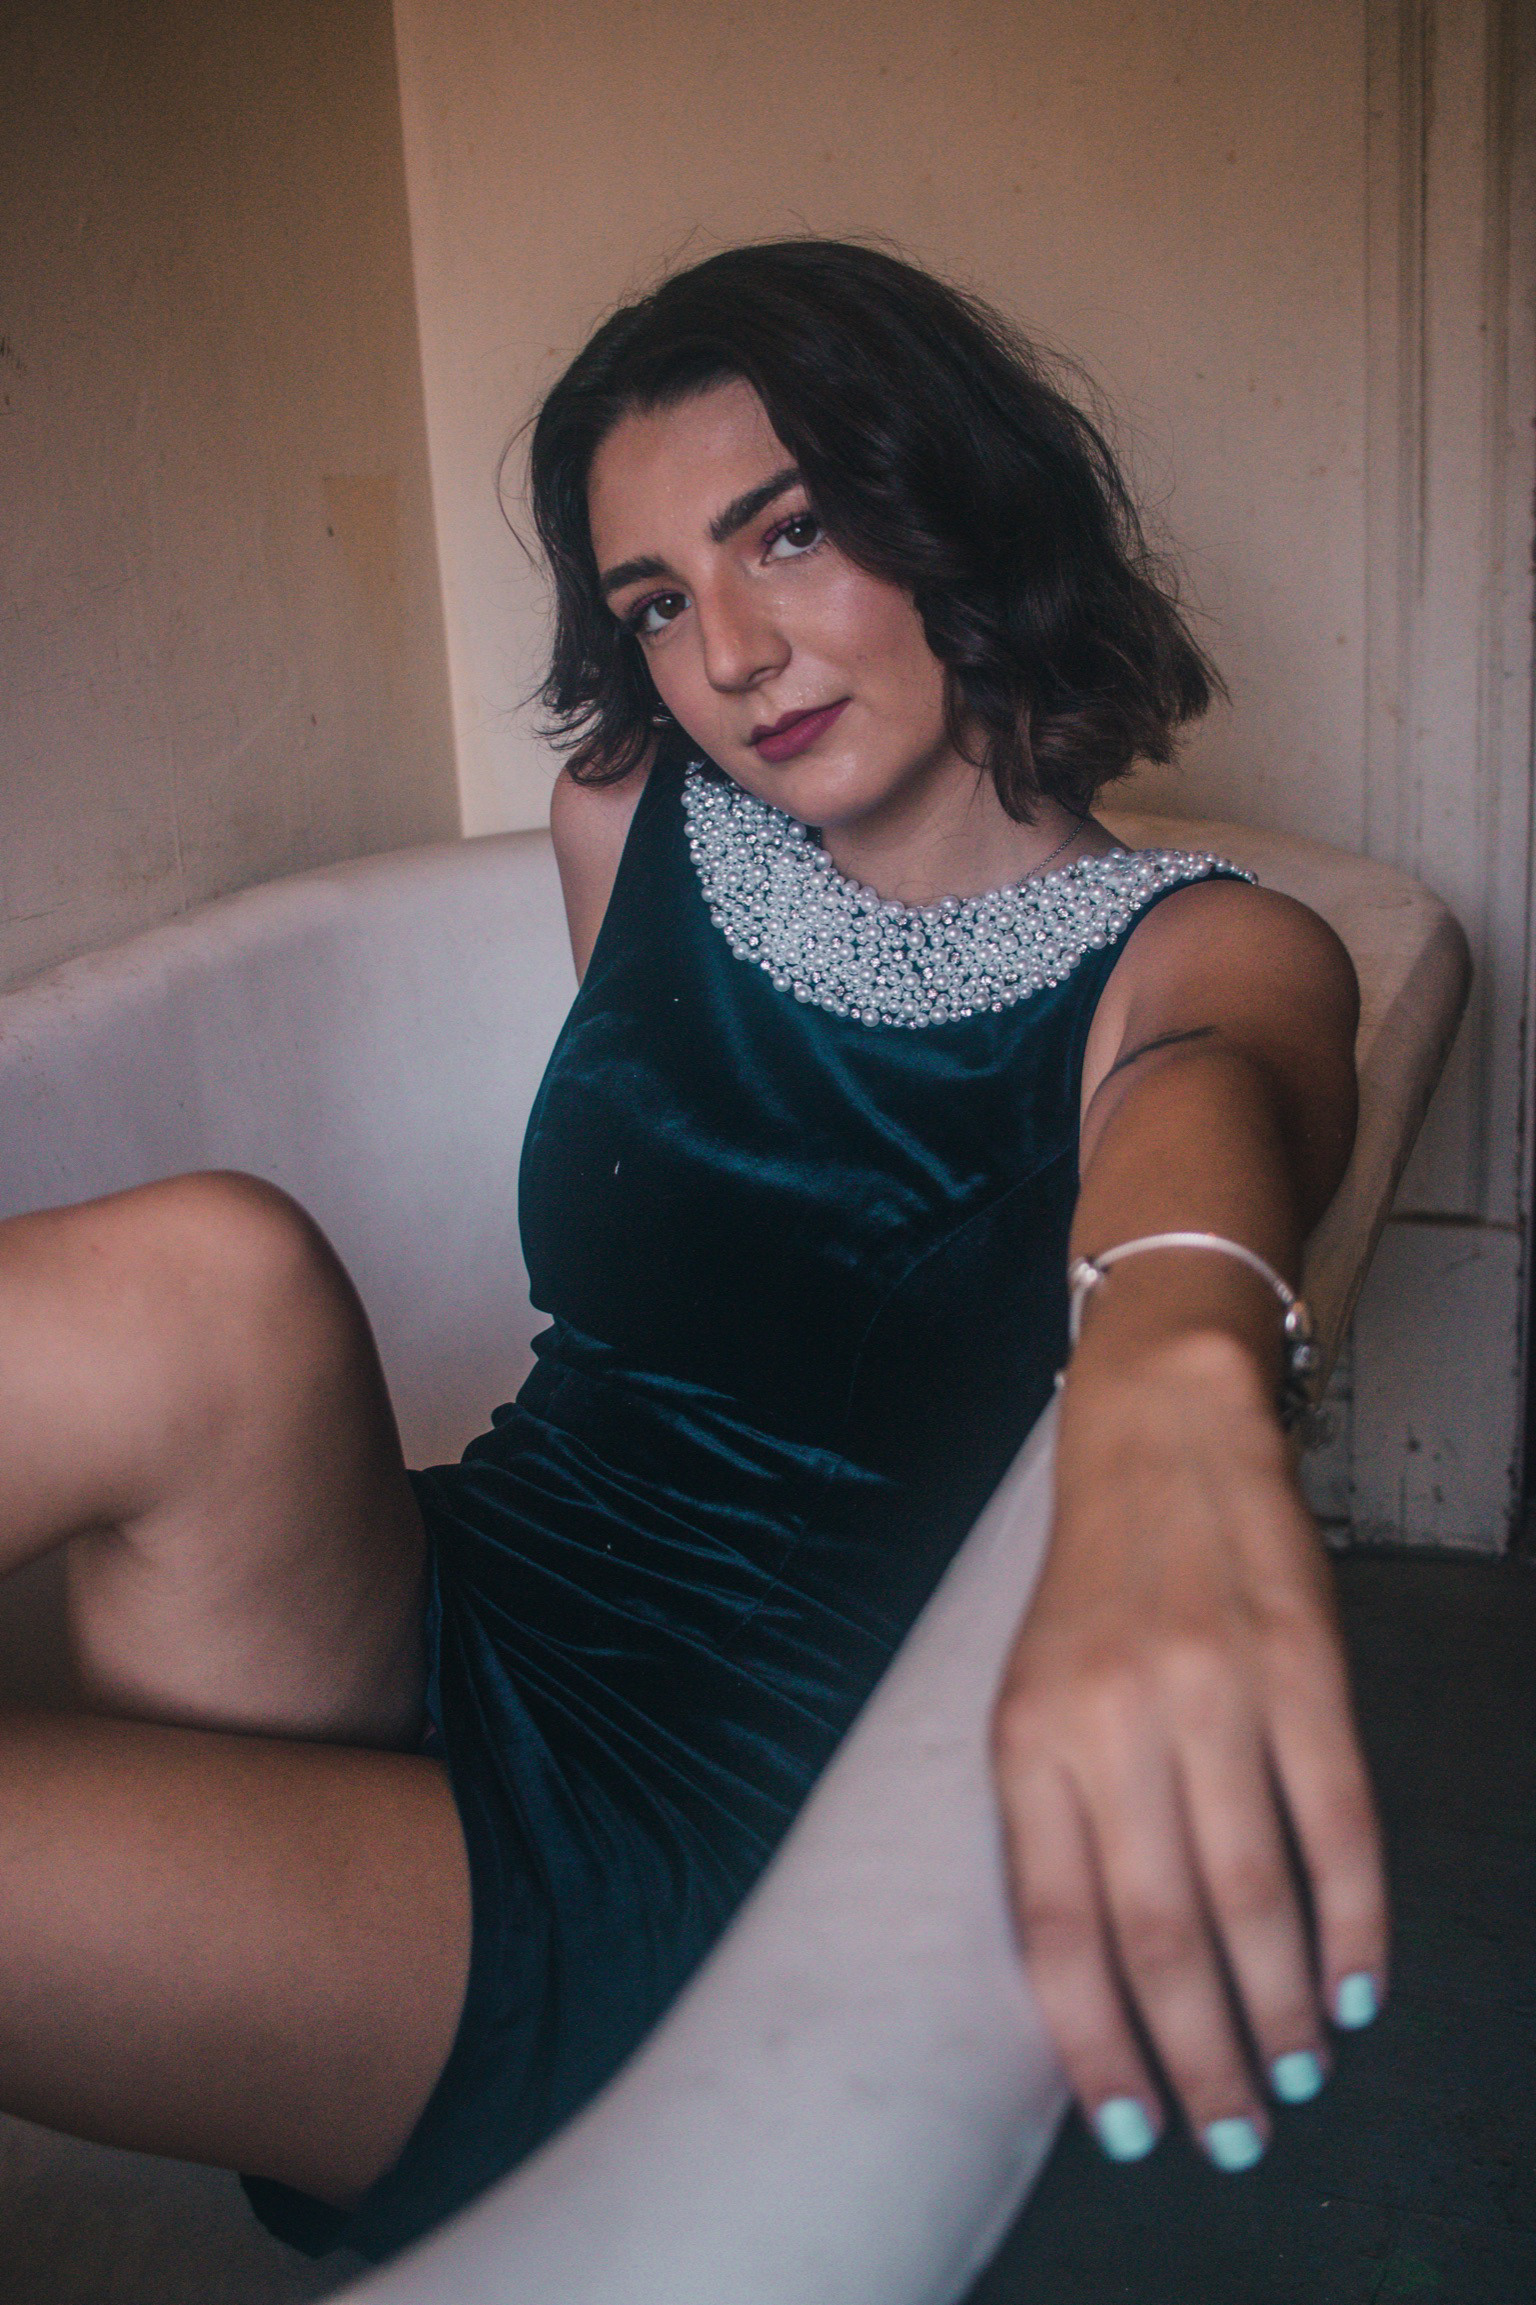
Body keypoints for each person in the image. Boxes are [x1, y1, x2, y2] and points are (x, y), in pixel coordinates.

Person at [0, 239, 1384, 2260]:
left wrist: (1173, 1391)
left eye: (791, 533)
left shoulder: (1204, 950)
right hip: (448, 1595)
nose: (728, 651)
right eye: (656, 599)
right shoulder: (624, 817)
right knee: (209, 1274)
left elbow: (1208, 1102)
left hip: (697, 1824)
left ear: (960, 511)